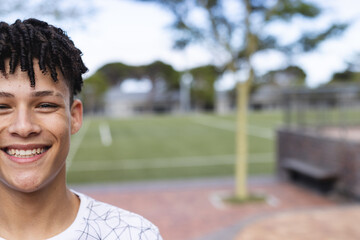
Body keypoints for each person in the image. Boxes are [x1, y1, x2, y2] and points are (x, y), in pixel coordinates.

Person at [0, 18, 163, 240]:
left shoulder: (134, 234)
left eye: (46, 105)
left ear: (75, 116)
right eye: (2, 107)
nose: (24, 127)